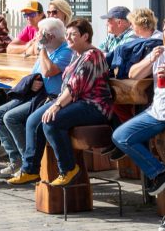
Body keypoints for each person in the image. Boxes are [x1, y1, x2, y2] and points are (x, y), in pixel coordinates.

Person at [8, 19, 113, 187]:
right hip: (74, 101)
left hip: (94, 106)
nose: (68, 38)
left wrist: (56, 105)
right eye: (67, 34)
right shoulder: (76, 55)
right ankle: (30, 170)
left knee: (51, 121)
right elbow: (67, 87)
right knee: (33, 121)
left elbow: (74, 88)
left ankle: (68, 169)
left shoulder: (92, 55)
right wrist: (54, 103)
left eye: (73, 35)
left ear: (85, 36)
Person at [0, 18, 73, 175]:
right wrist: (31, 84)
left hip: (52, 98)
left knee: (11, 117)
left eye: (40, 33)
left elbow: (48, 71)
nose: (36, 36)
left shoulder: (65, 51)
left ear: (49, 36)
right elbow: (36, 74)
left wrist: (42, 47)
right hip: (36, 95)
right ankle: (15, 159)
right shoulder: (48, 50)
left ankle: (26, 164)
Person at [110, 41, 165, 216]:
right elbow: (133, 74)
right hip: (157, 112)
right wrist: (150, 58)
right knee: (121, 135)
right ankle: (158, 172)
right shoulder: (159, 53)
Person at [106, 8, 163, 79]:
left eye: (132, 24)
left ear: (141, 24)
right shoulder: (144, 38)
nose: (131, 27)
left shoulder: (156, 40)